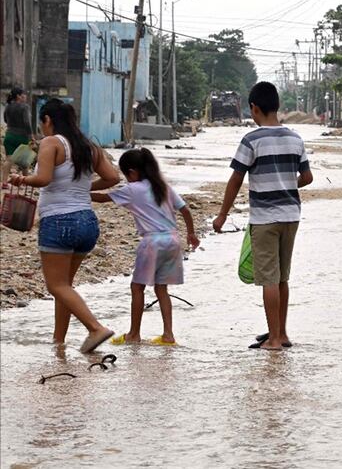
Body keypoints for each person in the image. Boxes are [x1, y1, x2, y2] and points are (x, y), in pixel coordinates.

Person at [9, 99, 120, 352]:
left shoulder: (52, 143)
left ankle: (96, 328)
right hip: (87, 222)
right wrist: (81, 187)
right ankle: (58, 343)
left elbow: (43, 178)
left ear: (47, 120)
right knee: (64, 287)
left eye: (42, 123)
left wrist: (21, 178)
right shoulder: (88, 146)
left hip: (59, 221)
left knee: (56, 286)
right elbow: (113, 177)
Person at [212, 82, 313, 350]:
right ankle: (282, 332)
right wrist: (286, 185)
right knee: (282, 277)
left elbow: (235, 180)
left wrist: (222, 215)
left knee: (268, 279)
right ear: (277, 106)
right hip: (291, 216)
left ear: (254, 108)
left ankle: (275, 340)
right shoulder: (295, 138)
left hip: (265, 218)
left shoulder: (251, 140)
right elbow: (307, 177)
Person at [92, 148, 200, 346]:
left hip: (152, 242)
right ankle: (168, 335)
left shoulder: (132, 189)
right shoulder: (163, 186)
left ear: (132, 172)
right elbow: (184, 210)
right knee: (162, 289)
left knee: (137, 287)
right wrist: (191, 233)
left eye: (126, 174)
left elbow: (103, 198)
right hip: (173, 241)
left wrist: (79, 190)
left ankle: (134, 334)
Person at [3, 87, 32, 182]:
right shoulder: (25, 107)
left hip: (9, 136)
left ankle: (4, 183)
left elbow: (5, 120)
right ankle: (26, 182)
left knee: (8, 160)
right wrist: (31, 135)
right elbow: (27, 122)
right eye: (24, 94)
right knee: (24, 163)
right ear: (19, 96)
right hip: (22, 137)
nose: (25, 96)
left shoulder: (8, 107)